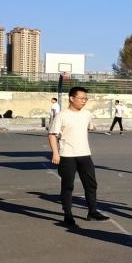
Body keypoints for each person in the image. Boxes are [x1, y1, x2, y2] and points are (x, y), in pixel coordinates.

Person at [48, 86, 108, 228]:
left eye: (86, 98)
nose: (84, 101)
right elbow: (52, 135)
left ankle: (92, 212)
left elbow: (89, 127)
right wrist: (55, 153)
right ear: (71, 98)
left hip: (85, 154)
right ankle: (68, 215)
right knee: (68, 186)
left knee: (91, 184)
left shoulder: (86, 114)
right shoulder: (62, 115)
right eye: (81, 98)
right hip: (67, 155)